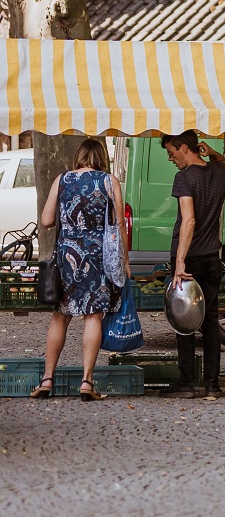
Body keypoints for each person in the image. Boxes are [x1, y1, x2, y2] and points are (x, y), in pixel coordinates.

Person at [33, 137, 127, 401]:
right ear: (101, 158)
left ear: (79, 157)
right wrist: (125, 262)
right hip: (98, 257)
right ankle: (86, 382)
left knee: (60, 316)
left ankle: (47, 379)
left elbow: (47, 220)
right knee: (93, 316)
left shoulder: (62, 180)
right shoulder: (109, 181)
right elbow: (119, 225)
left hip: (67, 256)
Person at [162, 129, 225, 399]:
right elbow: (222, 160)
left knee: (184, 321)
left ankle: (186, 382)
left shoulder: (184, 178)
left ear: (183, 147)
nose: (170, 158)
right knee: (210, 323)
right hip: (212, 257)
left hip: (189, 260)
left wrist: (179, 263)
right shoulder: (218, 173)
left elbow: (189, 220)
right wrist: (210, 152)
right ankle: (212, 385)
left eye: (171, 152)